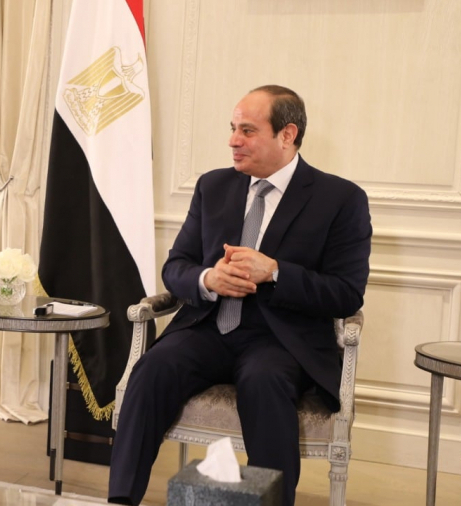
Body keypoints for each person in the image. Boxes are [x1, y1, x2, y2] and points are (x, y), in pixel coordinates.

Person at [108, 85, 372, 506]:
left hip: (281, 341)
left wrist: (276, 272)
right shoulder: (212, 186)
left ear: (287, 134)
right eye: (232, 128)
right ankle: (120, 500)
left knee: (264, 382)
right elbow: (176, 267)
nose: (233, 140)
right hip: (207, 329)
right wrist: (208, 279)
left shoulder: (340, 199)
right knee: (153, 368)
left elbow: (346, 293)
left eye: (247, 130)